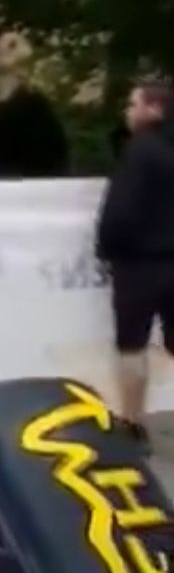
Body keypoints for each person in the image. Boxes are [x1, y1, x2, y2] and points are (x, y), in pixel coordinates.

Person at [96, 81, 174, 449]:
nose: (128, 112)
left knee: (132, 346)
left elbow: (121, 211)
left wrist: (107, 248)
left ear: (153, 109)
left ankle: (132, 422)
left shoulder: (140, 151)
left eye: (133, 104)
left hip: (139, 264)